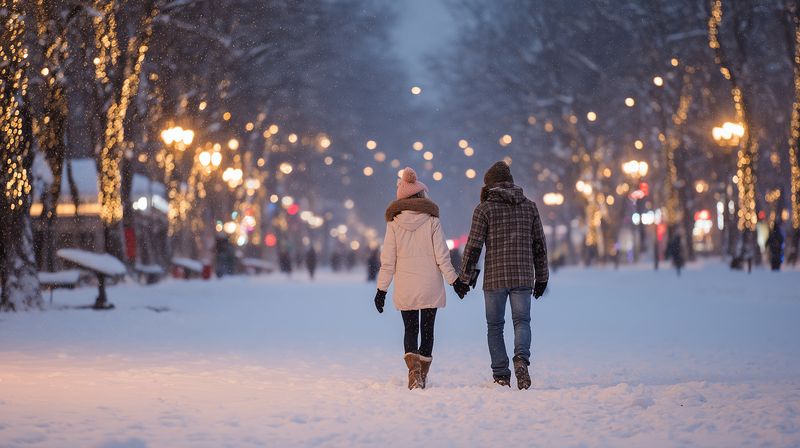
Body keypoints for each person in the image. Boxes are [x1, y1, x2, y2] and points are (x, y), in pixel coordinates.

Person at [374, 167, 470, 390]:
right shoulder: (432, 221)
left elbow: (388, 260)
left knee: (410, 329)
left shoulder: (394, 224)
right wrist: (454, 281)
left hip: (406, 285)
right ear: (420, 195)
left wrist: (382, 290)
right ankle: (422, 374)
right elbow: (442, 256)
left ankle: (413, 373)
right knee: (428, 330)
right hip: (429, 285)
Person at [460, 161, 548, 390]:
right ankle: (521, 359)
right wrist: (542, 277)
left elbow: (473, 247)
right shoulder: (529, 206)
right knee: (522, 321)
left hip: (495, 277)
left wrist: (464, 277)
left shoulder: (484, 209)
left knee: (495, 326)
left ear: (489, 185)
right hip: (522, 275)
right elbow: (539, 244)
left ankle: (500, 374)